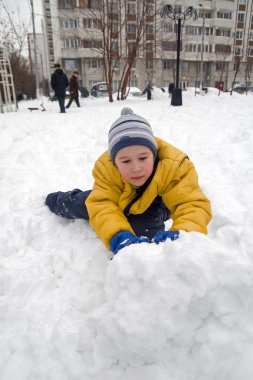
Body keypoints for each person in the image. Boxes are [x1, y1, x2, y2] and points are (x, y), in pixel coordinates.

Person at [45, 107, 212, 255]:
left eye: (143, 158)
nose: (136, 168)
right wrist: (117, 235)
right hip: (119, 197)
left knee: (143, 230)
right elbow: (102, 204)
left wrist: (183, 235)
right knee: (87, 203)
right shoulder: (107, 169)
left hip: (154, 204)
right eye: (126, 161)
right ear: (115, 162)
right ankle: (60, 200)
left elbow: (190, 203)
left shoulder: (174, 166)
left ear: (153, 156)